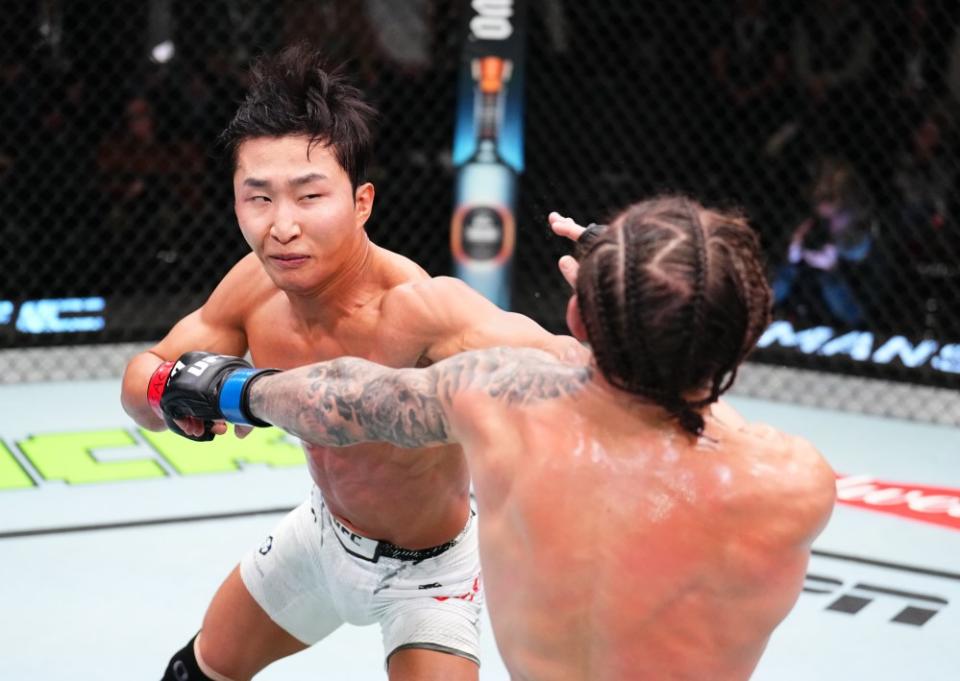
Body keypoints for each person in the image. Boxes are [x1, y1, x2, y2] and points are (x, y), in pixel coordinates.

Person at [157, 195, 838, 681]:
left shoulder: (499, 401)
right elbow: (691, 402)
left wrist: (224, 387)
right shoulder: (793, 484)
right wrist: (653, 291)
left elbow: (341, 397)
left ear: (574, 312)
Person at [120, 44, 575, 680]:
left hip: (431, 574)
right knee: (192, 673)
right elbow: (141, 379)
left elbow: (562, 365)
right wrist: (180, 395)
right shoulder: (253, 286)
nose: (281, 227)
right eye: (259, 198)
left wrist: (622, 310)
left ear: (362, 202)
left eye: (309, 196)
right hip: (320, 536)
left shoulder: (418, 309)